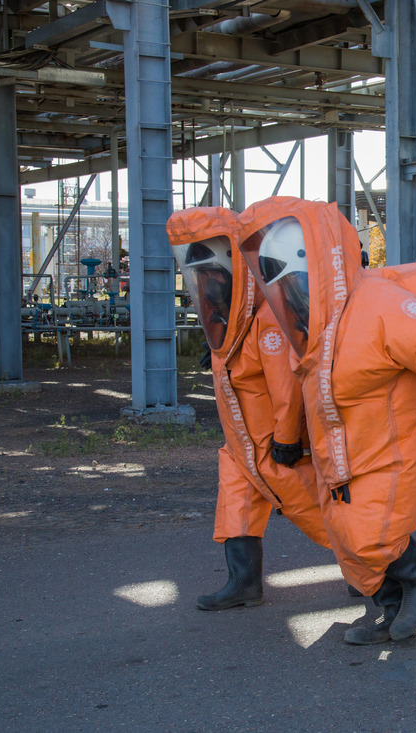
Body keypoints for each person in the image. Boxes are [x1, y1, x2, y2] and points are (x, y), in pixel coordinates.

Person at [238, 197, 416, 645]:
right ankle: (390, 610)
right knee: (345, 536)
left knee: (373, 531)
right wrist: (290, 436)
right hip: (341, 446)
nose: (288, 292)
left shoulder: (376, 302)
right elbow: (301, 385)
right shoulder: (315, 322)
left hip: (390, 443)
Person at [167, 206, 330, 611]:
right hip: (242, 443)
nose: (209, 286)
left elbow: (288, 388)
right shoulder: (232, 327)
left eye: (215, 275)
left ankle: (382, 567)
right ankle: (243, 584)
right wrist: (218, 348)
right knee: (236, 503)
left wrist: (287, 439)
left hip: (273, 443)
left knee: (318, 510)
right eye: (202, 278)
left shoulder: (267, 320)